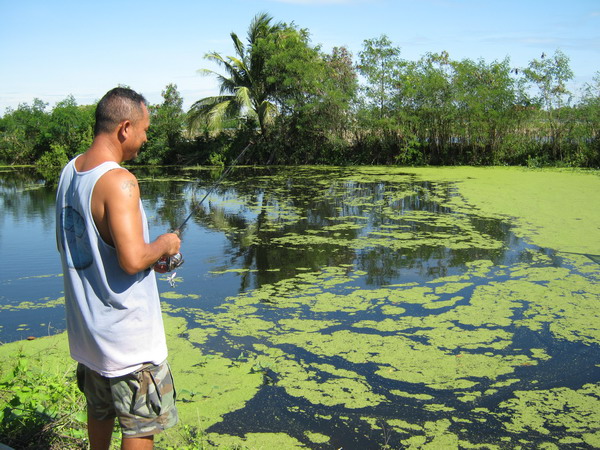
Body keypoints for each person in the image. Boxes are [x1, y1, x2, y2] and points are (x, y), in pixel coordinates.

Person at [55, 87, 181, 449]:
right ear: (125, 127)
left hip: (90, 338)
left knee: (100, 414)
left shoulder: (71, 172)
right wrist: (166, 244)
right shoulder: (120, 181)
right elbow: (130, 261)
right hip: (128, 343)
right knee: (140, 427)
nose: (145, 137)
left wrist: (149, 257)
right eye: (144, 129)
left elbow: (89, 247)